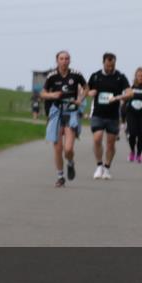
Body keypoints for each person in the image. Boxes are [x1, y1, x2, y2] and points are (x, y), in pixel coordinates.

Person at [39, 51, 87, 187]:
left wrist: (80, 99)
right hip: (56, 113)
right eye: (61, 59)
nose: (64, 61)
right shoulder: (52, 76)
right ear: (57, 61)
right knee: (58, 148)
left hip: (71, 112)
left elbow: (86, 87)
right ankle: (60, 176)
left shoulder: (76, 74)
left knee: (68, 149)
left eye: (67, 59)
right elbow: (42, 93)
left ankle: (70, 163)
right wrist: (53, 95)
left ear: (70, 61)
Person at [86, 52, 131, 180]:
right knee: (97, 138)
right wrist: (90, 92)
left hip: (113, 116)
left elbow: (130, 93)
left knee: (110, 144)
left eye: (112, 65)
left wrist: (118, 97)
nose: (110, 68)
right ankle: (99, 165)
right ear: (103, 63)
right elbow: (86, 90)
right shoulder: (95, 76)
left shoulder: (120, 77)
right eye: (108, 65)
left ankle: (107, 168)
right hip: (97, 114)